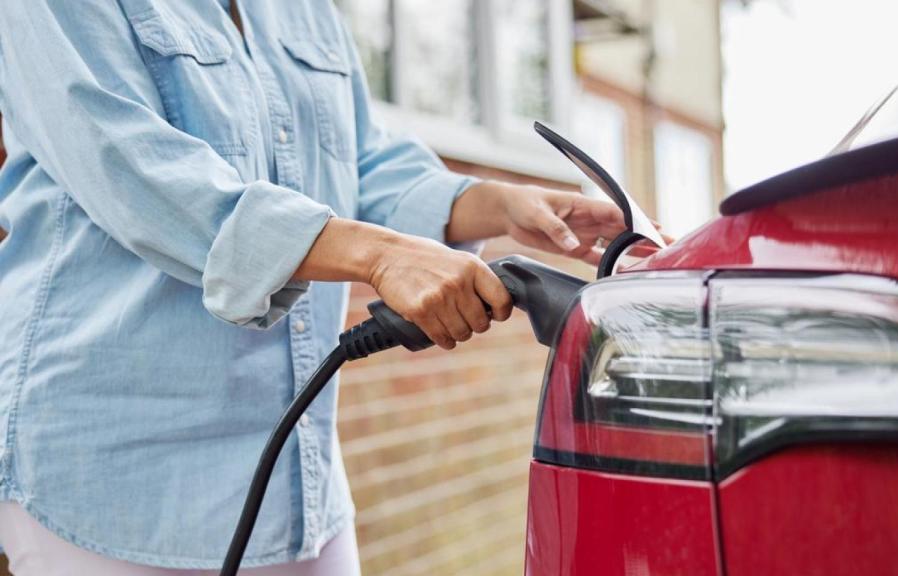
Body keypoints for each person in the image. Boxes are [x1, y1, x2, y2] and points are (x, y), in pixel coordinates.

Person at [0, 1, 636, 574]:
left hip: (298, 481)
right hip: (115, 477)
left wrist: (497, 204)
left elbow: (358, 159)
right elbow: (134, 171)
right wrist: (377, 256)